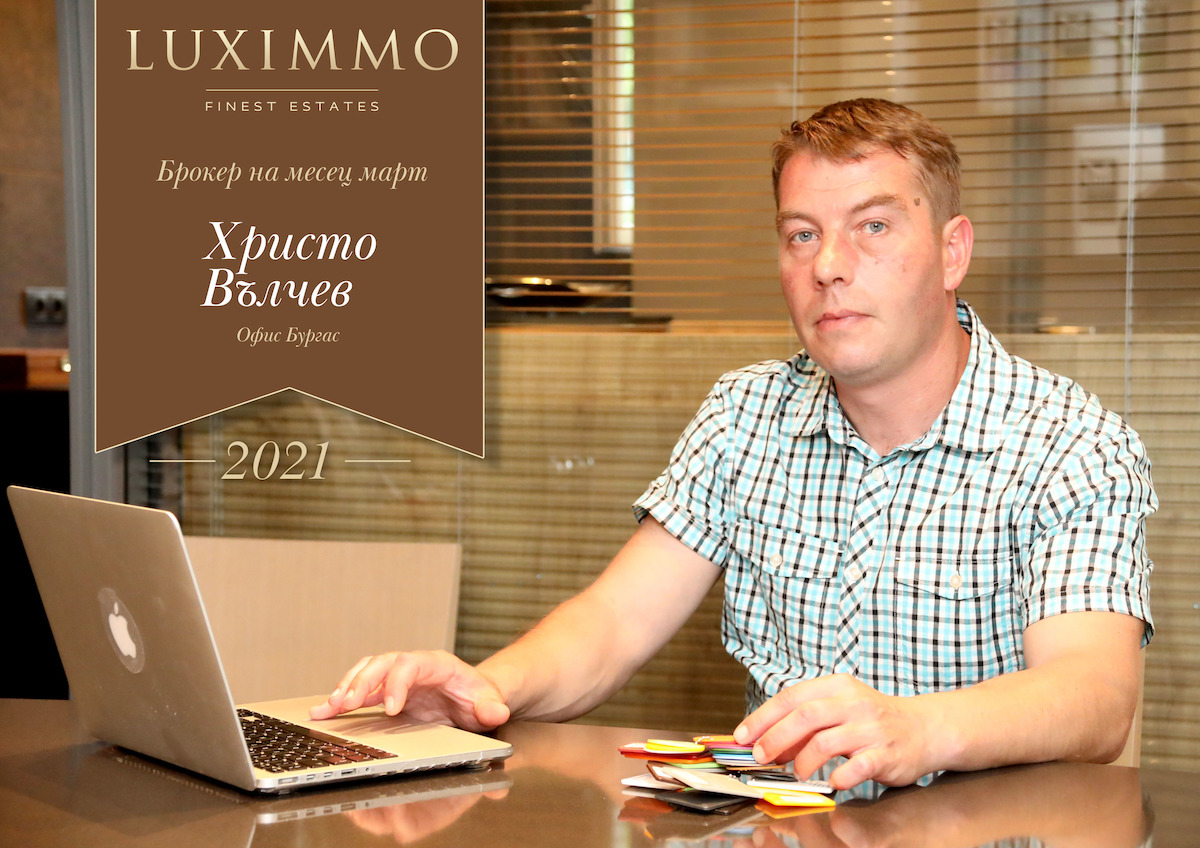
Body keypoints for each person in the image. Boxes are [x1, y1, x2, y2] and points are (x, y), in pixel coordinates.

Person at [312, 99, 1156, 791]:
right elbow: (613, 623)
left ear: (951, 251)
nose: (829, 266)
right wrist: (487, 687)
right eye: (802, 234)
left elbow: (1094, 695)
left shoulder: (1073, 443)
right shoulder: (745, 414)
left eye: (872, 227)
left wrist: (918, 729)